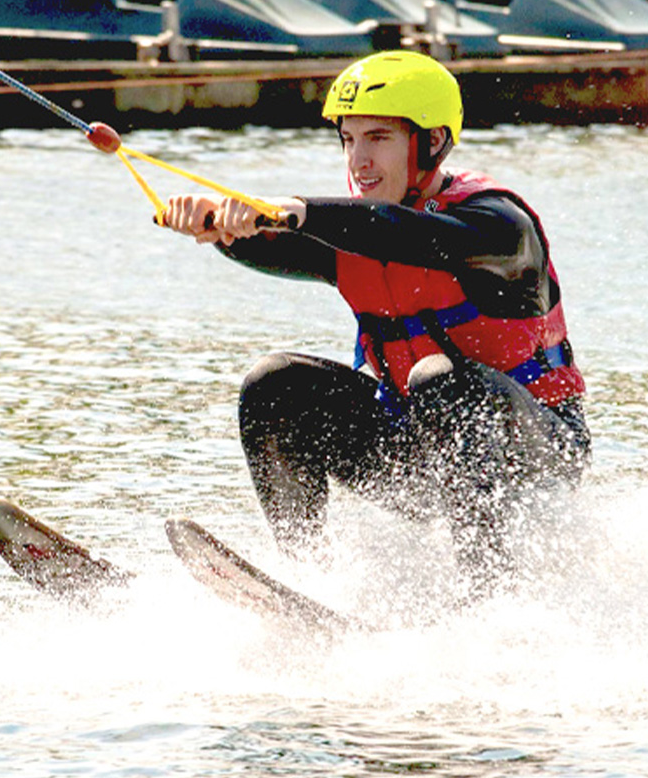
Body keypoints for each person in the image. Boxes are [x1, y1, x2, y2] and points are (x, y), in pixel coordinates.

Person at [162, 51, 590, 596]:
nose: (359, 161)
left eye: (379, 139)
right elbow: (279, 241)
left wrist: (297, 208)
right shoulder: (356, 229)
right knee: (275, 384)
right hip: (422, 456)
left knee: (441, 380)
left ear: (432, 142)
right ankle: (308, 583)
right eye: (348, 140)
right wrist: (220, 225)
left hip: (533, 457)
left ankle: (488, 602)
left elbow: (400, 232)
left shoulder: (499, 228)